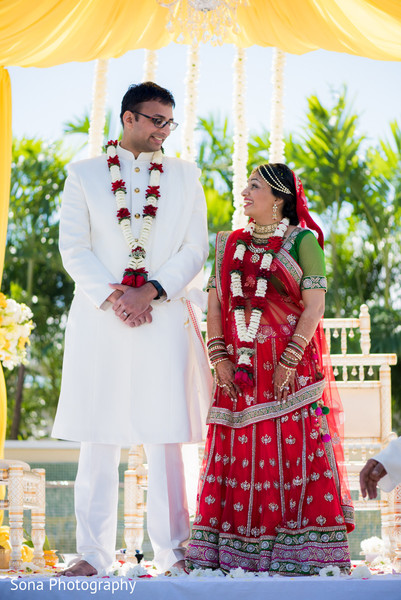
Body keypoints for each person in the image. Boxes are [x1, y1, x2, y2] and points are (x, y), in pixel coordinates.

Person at [52, 82, 212, 576]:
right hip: (102, 319)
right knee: (98, 435)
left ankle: (173, 552)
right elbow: (74, 246)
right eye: (157, 121)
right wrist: (116, 295)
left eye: (170, 122)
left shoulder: (187, 176)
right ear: (128, 118)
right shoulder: (84, 175)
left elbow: (195, 248)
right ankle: (92, 556)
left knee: (165, 434)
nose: (165, 131)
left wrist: (153, 290)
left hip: (162, 317)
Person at [185, 163, 354, 575]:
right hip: (239, 371)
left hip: (289, 369)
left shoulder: (304, 243)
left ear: (279, 197)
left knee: (298, 449)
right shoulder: (228, 244)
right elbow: (215, 306)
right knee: (239, 450)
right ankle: (233, 554)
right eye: (245, 186)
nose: (244, 192)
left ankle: (302, 553)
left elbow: (315, 307)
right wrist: (219, 357)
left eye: (254, 186)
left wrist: (290, 358)